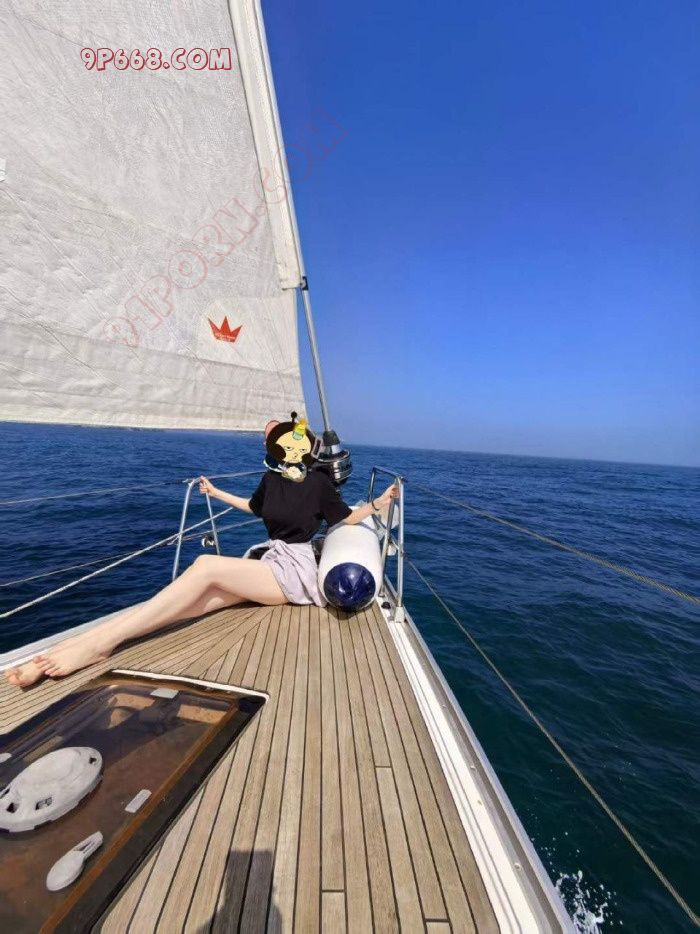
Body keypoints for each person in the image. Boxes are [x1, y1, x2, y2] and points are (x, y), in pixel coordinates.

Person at [6, 414, 396, 688]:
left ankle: (100, 644)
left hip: (294, 571)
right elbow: (253, 508)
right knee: (194, 603)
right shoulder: (271, 480)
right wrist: (215, 492)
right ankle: (87, 641)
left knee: (206, 565)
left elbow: (347, 517)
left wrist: (379, 502)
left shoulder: (319, 484)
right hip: (271, 561)